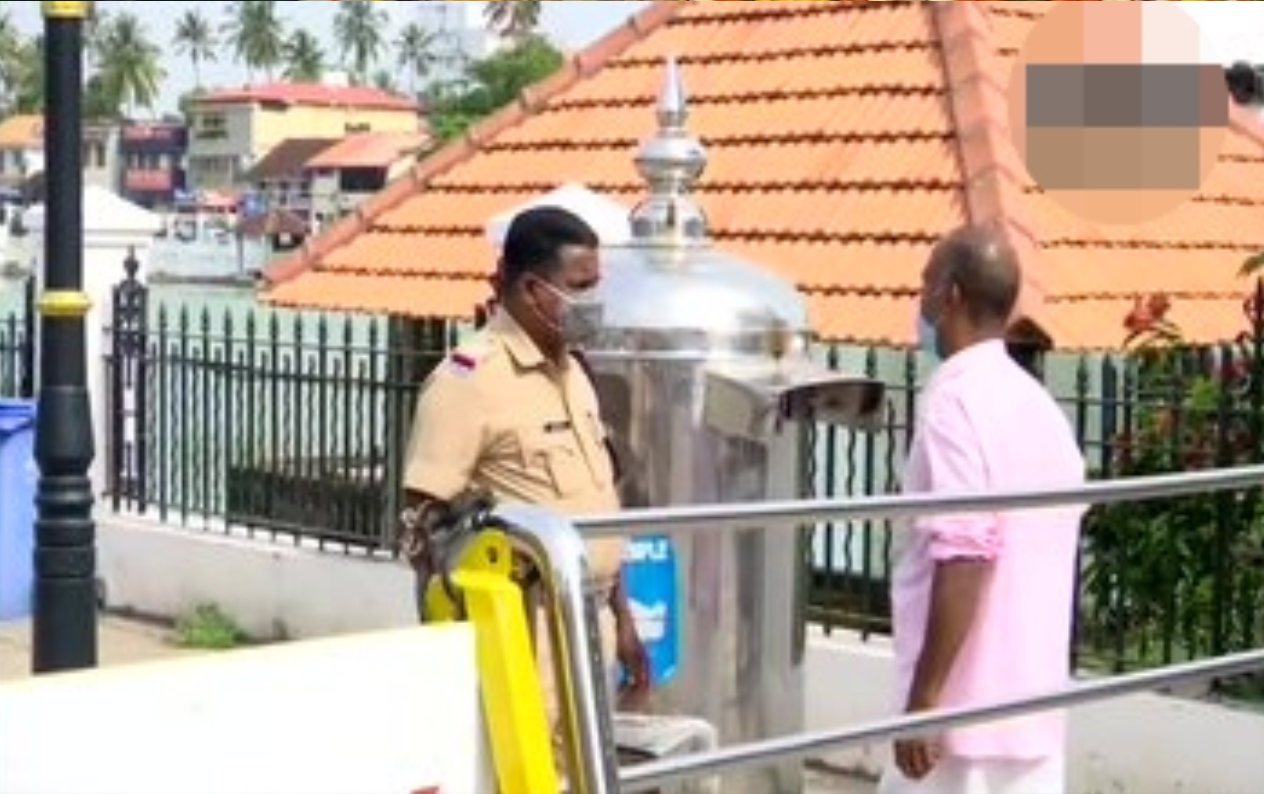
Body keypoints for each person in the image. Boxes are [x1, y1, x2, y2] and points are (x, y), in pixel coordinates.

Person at [396, 206, 650, 754]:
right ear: (534, 289)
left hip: (591, 629)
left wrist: (622, 620)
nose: (594, 302)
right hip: (523, 639)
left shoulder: (573, 372)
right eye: (581, 287)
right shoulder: (469, 380)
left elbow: (596, 501)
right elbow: (424, 530)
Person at [880, 226, 1087, 794]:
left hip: (959, 724)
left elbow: (966, 555)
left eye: (924, 285)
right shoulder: (1041, 409)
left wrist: (925, 703)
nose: (918, 301)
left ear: (949, 296)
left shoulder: (953, 402)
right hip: (1032, 713)